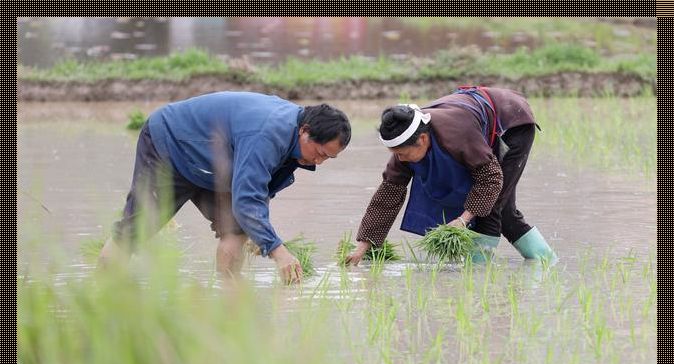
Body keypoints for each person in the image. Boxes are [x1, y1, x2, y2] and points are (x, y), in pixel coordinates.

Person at [98, 91, 351, 283]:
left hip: (213, 162)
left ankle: (231, 298)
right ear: (305, 131)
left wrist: (259, 233)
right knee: (135, 230)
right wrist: (277, 251)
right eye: (319, 152)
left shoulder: (297, 147)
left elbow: (260, 190)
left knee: (237, 229)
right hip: (169, 145)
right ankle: (99, 293)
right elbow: (246, 200)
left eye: (328, 158)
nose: (318, 161)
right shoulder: (268, 133)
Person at [345, 86, 556, 266]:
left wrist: (462, 221)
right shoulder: (406, 145)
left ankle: (477, 276)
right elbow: (389, 194)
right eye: (396, 154)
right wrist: (362, 247)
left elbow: (490, 178)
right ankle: (546, 263)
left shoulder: (456, 135)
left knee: (492, 209)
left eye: (404, 154)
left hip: (512, 123)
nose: (402, 160)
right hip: (478, 124)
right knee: (502, 210)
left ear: (424, 139)